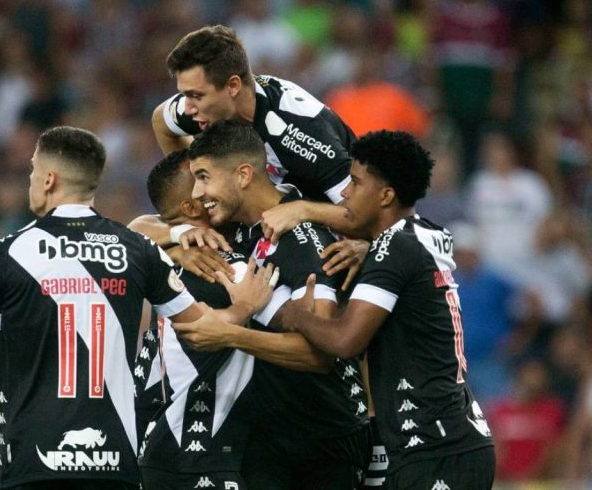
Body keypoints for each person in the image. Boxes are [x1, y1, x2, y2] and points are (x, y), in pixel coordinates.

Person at [0, 126, 277, 490]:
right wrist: (242, 309)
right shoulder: (136, 250)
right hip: (114, 460)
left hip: (31, 460)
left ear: (49, 179)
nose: (30, 181)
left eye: (32, 172)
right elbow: (200, 329)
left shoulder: (5, 255)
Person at [179, 130, 496, 488]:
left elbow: (345, 341)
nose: (344, 193)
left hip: (436, 442)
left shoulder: (393, 247)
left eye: (356, 184)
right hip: (441, 437)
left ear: (386, 195)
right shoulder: (418, 236)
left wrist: (287, 313)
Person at [175, 120, 371, 490]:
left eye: (204, 177)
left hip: (323, 440)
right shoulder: (242, 229)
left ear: (244, 174)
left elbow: (318, 356)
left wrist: (230, 335)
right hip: (265, 436)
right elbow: (142, 224)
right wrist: (177, 236)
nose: (198, 193)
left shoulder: (302, 238)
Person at [135, 148, 333, 489]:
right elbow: (314, 347)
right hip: (198, 455)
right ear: (191, 206)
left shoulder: (158, 255)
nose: (205, 188)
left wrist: (175, 236)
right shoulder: (230, 268)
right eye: (199, 180)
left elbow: (134, 228)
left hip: (150, 444)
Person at [152, 24, 365, 245]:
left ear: (233, 86)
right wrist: (203, 183)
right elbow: (160, 121)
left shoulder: (299, 131)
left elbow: (361, 213)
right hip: (267, 228)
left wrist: (302, 210)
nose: (187, 109)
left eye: (195, 95)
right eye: (184, 95)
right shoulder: (204, 107)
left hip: (325, 239)